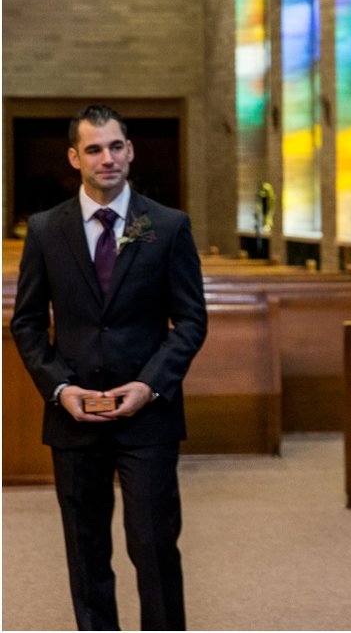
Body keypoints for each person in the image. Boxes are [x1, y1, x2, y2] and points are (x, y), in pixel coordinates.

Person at [11, 105, 208, 630]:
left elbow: (191, 321)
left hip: (147, 417)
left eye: (116, 146)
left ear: (130, 150)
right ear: (75, 157)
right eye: (94, 149)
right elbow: (27, 323)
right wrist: (59, 389)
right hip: (74, 418)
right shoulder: (48, 230)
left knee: (154, 547)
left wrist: (150, 384)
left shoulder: (164, 226)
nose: (107, 158)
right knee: (86, 551)